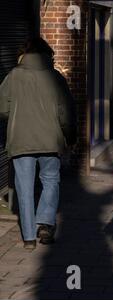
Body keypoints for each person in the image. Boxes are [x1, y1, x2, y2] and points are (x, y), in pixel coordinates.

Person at [0, 37, 76, 249]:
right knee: (50, 181)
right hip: (50, 140)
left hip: (21, 139)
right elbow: (67, 113)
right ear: (47, 55)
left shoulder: (13, 77)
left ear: (23, 55)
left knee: (24, 188)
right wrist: (71, 137)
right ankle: (45, 223)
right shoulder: (56, 77)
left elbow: (2, 108)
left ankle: (29, 238)